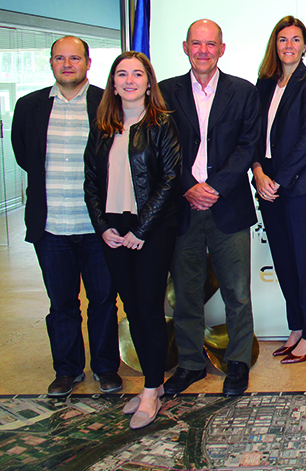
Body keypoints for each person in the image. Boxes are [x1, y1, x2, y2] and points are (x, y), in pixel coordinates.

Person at [11, 36, 122, 398]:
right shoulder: (29, 106)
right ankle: (67, 370)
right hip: (51, 227)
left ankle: (106, 368)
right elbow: (24, 156)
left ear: (88, 63)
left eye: (75, 58)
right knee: (61, 305)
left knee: (103, 301)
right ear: (51, 63)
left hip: (97, 226)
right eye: (60, 58)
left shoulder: (108, 103)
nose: (67, 64)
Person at [159, 19, 261, 397]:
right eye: (196, 44)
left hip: (227, 205)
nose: (203, 50)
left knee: (237, 292)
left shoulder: (243, 92)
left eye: (210, 44)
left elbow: (248, 145)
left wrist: (213, 187)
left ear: (222, 48)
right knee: (185, 292)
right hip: (183, 207)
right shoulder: (166, 92)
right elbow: (162, 146)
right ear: (185, 47)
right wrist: (189, 186)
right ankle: (190, 363)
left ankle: (237, 362)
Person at [84, 52, 181, 429]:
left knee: (150, 310)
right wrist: (101, 226)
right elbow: (91, 180)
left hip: (150, 230)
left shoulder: (161, 123)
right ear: (112, 82)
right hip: (112, 228)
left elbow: (170, 180)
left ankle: (151, 390)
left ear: (148, 81)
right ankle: (150, 385)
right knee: (132, 310)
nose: (129, 80)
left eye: (137, 74)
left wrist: (141, 230)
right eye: (121, 74)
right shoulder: (104, 125)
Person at [252, 17, 306, 364]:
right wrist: (257, 173)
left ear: (305, 45)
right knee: (283, 261)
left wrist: (277, 180)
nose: (289, 46)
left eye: (296, 39)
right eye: (283, 39)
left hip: (301, 188)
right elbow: (252, 135)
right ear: (275, 44)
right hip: (268, 185)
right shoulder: (265, 83)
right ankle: (296, 326)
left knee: (305, 261)